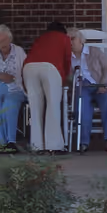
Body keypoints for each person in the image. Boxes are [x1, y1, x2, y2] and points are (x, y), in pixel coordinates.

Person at [21, 21, 72, 153]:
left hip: (29, 68)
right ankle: (54, 146)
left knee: (35, 107)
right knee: (52, 105)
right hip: (51, 67)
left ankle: (37, 145)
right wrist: (65, 77)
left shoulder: (40, 38)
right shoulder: (64, 38)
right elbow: (67, 60)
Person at [70, 29, 107, 152]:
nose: (70, 42)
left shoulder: (95, 51)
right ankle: (84, 142)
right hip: (82, 87)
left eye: (72, 39)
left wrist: (103, 84)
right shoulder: (68, 56)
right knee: (82, 107)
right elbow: (67, 76)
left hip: (100, 84)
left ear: (80, 40)